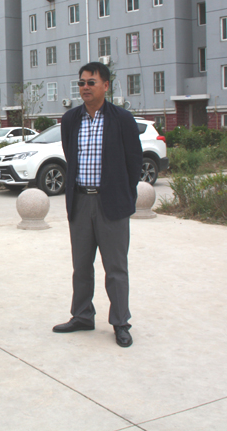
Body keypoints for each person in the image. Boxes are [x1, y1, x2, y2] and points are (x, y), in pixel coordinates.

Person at [53, 62, 143, 347]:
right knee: (81, 266)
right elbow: (71, 156)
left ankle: (120, 322)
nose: (85, 87)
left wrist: (124, 195)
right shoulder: (71, 120)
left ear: (106, 85)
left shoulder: (122, 119)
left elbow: (134, 162)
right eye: (81, 83)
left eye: (91, 82)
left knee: (116, 268)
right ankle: (82, 316)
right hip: (80, 202)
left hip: (111, 204)